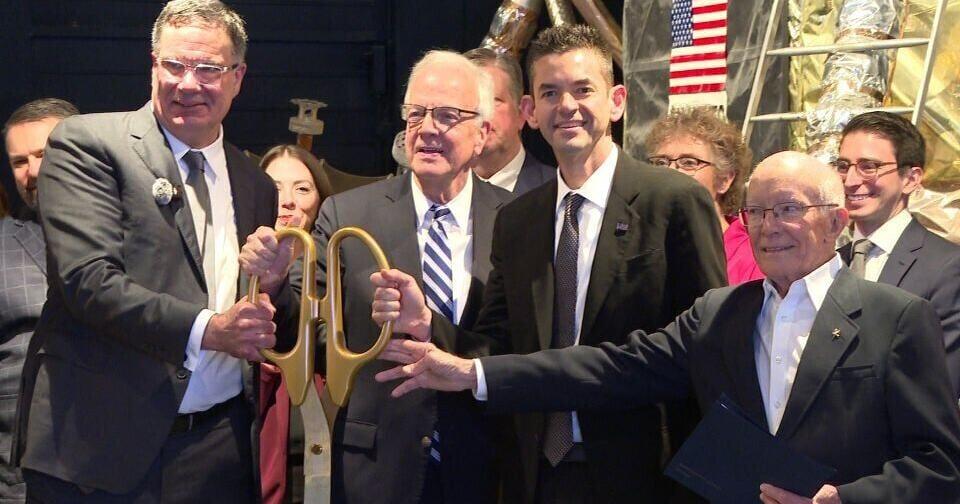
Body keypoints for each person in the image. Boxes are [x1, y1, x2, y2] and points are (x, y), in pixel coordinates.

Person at [373, 151, 960, 504]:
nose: (769, 226)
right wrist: (471, 371)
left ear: (834, 220)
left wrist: (844, 501)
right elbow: (604, 367)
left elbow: (940, 464)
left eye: (788, 209)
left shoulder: (896, 318)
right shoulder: (721, 315)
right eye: (756, 211)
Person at [370, 25, 726, 504]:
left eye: (583, 90)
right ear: (531, 113)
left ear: (617, 101)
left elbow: (706, 350)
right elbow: (497, 344)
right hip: (536, 476)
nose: (567, 106)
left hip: (648, 475)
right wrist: (427, 324)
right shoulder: (518, 220)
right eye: (550, 93)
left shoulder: (673, 201)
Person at [15, 1, 281, 500]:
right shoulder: (87, 143)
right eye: (174, 65)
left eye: (208, 69)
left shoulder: (256, 184)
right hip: (97, 449)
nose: (188, 84)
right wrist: (210, 330)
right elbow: (87, 282)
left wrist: (274, 281)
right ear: (153, 65)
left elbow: (260, 322)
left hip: (218, 451)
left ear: (238, 77)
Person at [240, 50, 512, 504]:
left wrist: (429, 329)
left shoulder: (517, 219)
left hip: (487, 463)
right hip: (375, 470)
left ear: (483, 133)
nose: (426, 129)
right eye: (416, 113)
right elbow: (303, 338)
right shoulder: (348, 214)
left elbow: (525, 345)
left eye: (446, 115)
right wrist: (274, 286)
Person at [834, 111, 960, 398]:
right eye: (844, 166)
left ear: (911, 179)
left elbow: (938, 386)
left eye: (869, 166)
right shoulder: (830, 262)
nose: (851, 180)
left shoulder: (947, 267)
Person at [0, 97, 78, 503]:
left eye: (44, 154)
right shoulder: (2, 247)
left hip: (121, 467)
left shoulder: (134, 238)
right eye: (18, 162)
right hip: (19, 479)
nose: (32, 172)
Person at [256, 143, 333, 504]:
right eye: (274, 189)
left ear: (321, 200)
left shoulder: (339, 270)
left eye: (302, 188)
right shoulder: (232, 265)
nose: (287, 201)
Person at [645, 106, 761, 285]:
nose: (670, 171)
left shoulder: (752, 259)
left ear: (724, 179)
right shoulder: (641, 248)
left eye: (689, 163)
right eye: (661, 162)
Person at [464, 47, 555, 195]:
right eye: (466, 103)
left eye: (492, 100)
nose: (479, 112)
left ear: (522, 112)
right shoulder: (435, 190)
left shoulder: (555, 191)